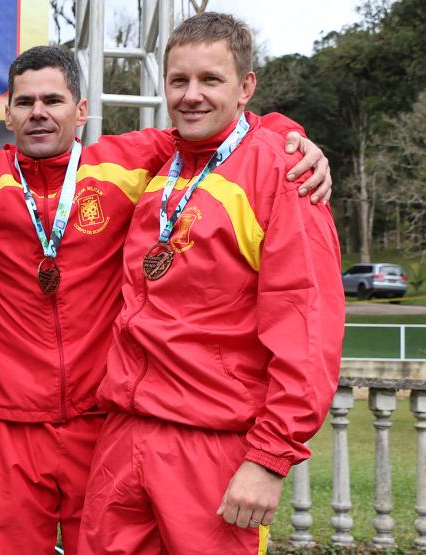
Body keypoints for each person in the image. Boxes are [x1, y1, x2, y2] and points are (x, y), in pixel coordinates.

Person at [0, 45, 333, 554]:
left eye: (54, 100)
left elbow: (220, 126)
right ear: (7, 114)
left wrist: (292, 137)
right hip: (11, 421)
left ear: (80, 110)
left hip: (99, 420)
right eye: (25, 102)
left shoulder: (128, 159)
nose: (39, 112)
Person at [77, 13, 344, 554]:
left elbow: (307, 329)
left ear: (246, 87)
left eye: (210, 80)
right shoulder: (160, 164)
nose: (191, 95)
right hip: (124, 434)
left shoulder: (281, 174)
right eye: (179, 81)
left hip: (213, 445)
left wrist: (269, 458)